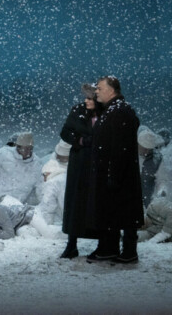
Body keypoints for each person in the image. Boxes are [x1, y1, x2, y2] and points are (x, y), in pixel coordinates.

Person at [87, 76, 143, 264]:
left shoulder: (120, 111)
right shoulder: (111, 110)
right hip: (110, 172)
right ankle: (108, 248)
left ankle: (128, 251)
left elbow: (121, 147)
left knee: (123, 211)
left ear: (112, 90)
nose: (96, 91)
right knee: (110, 211)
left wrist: (114, 173)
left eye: (100, 88)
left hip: (118, 173)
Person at [58, 83, 99, 258]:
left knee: (97, 203)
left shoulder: (106, 114)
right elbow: (65, 132)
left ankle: (102, 243)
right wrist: (81, 141)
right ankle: (71, 244)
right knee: (76, 203)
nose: (86, 101)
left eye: (90, 98)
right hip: (80, 162)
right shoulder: (78, 111)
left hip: (98, 164)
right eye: (86, 97)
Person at [0, 131, 42, 205]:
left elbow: (41, 189)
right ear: (17, 146)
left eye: (29, 148)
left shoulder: (37, 165)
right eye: (24, 148)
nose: (27, 152)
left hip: (14, 207)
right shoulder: (4, 153)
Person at [138, 127, 162, 208]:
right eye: (144, 148)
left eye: (149, 149)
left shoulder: (157, 159)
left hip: (148, 200)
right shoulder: (127, 156)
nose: (146, 152)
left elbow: (162, 179)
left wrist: (162, 191)